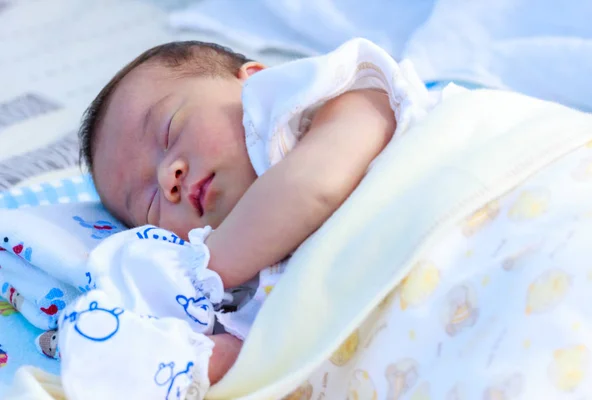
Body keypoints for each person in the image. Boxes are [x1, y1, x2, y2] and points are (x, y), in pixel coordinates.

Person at [68, 38, 435, 397]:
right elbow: (260, 360)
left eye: (170, 131)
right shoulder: (238, 296)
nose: (167, 178)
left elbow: (314, 186)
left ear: (254, 79)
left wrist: (198, 269)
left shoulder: (342, 99)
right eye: (149, 203)